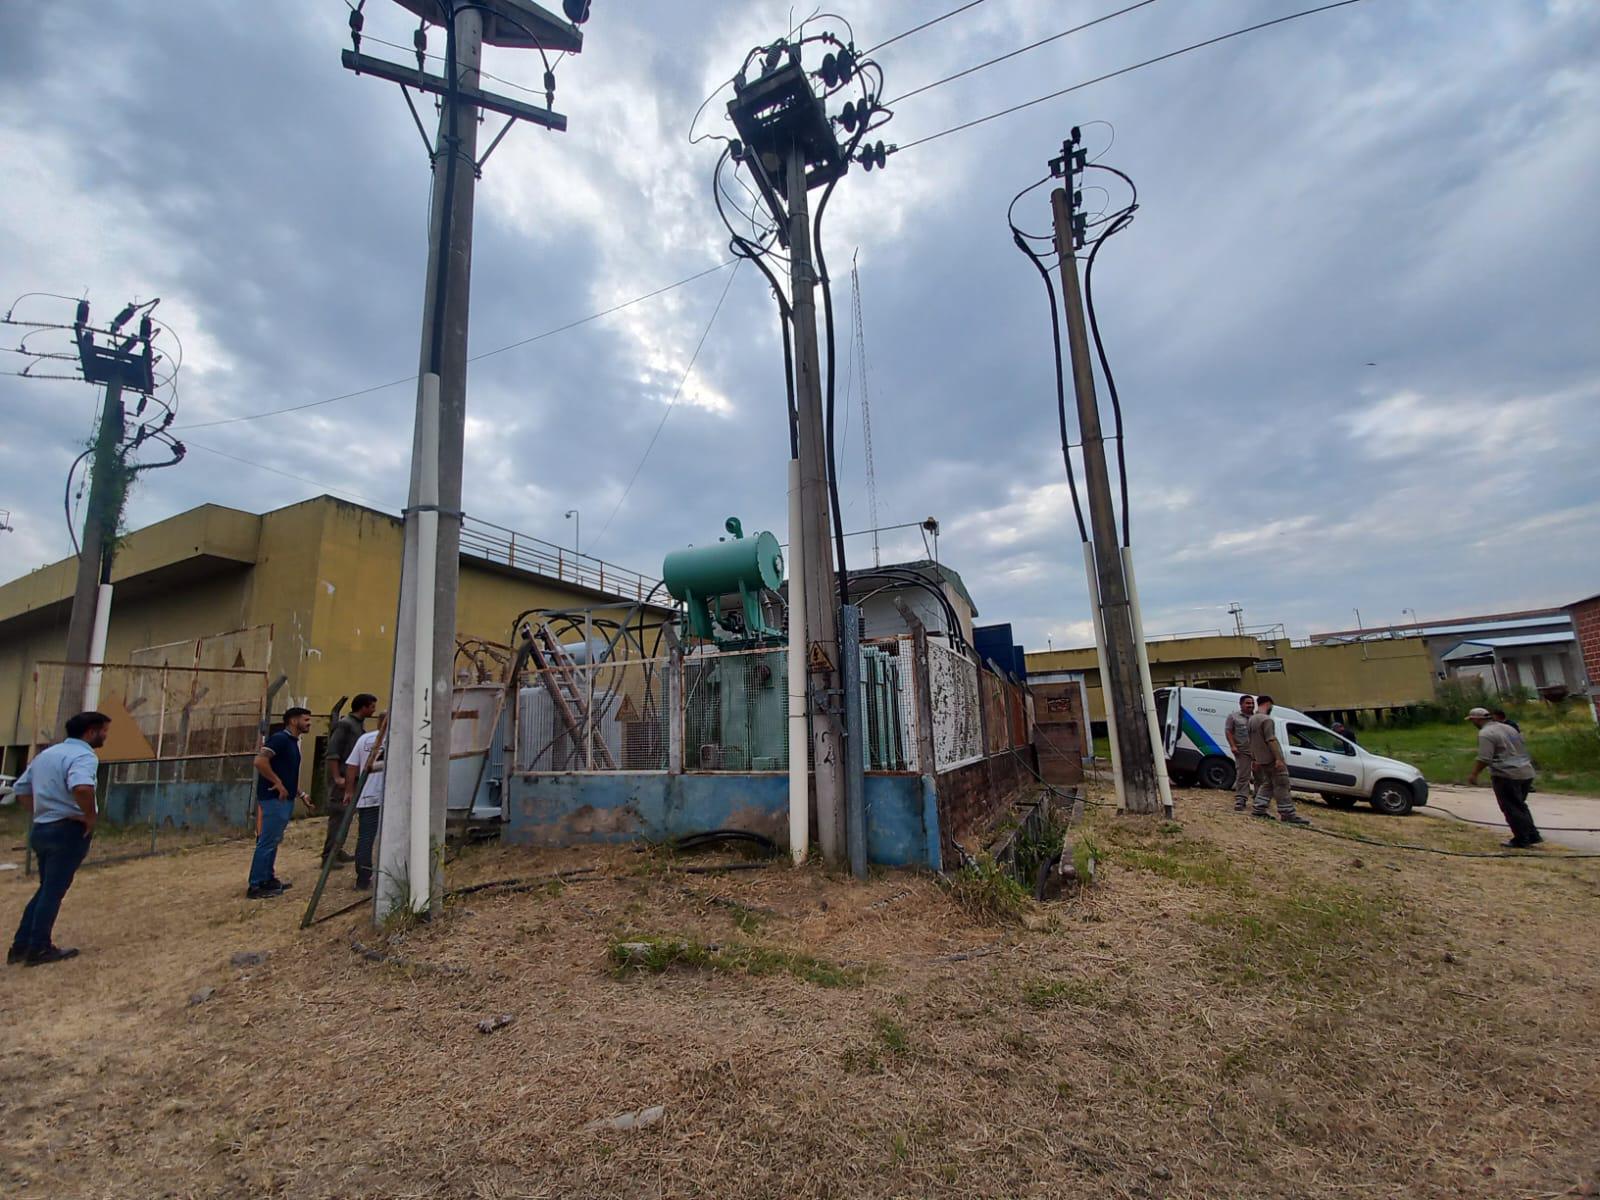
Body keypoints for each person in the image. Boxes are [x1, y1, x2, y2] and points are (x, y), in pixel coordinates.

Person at [7, 712, 109, 967]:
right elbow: (82, 787)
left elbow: (21, 789)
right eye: (104, 731)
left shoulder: (47, 755)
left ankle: (21, 945)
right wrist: (90, 817)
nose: (106, 736)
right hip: (68, 830)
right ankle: (39, 948)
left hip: (42, 828)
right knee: (53, 890)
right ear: (90, 732)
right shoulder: (84, 756)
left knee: (46, 888)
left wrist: (41, 811)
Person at [248, 706, 313, 899]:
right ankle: (256, 885)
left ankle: (268, 878)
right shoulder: (280, 739)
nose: (309, 723)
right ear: (293, 721)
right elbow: (260, 762)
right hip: (273, 799)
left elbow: (287, 773)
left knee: (273, 841)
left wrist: (301, 794)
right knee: (267, 842)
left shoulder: (292, 742)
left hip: (285, 799)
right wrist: (277, 783)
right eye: (306, 720)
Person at [1466, 707, 1542, 848]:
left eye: (1472, 720)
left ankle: (1521, 839)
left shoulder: (1486, 733)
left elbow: (1484, 758)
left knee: (1511, 808)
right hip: (1526, 772)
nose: (1472, 723)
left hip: (1506, 774)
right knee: (1520, 805)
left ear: (1477, 719)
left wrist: (1474, 774)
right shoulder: (1509, 728)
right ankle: (1532, 835)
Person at [322, 693, 377, 867]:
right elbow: (332, 752)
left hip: (351, 778)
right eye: (372, 706)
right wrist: (337, 777)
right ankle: (329, 856)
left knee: (346, 816)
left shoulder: (357, 725)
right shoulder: (345, 725)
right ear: (364, 707)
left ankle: (337, 851)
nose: (373, 710)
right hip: (343, 779)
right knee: (339, 816)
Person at [1247, 696, 1311, 826]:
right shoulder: (1267, 720)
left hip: (1261, 759)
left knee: (1268, 783)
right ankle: (1287, 813)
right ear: (1268, 704)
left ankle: (1259, 808)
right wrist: (1278, 759)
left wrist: (1254, 758)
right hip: (1271, 758)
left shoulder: (1251, 720)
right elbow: (1271, 740)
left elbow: (1251, 741)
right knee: (1282, 784)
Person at [342, 718, 387, 891]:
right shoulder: (398, 737)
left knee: (365, 838)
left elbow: (351, 766)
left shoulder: (364, 739)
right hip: (388, 797)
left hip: (367, 795)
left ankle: (363, 878)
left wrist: (349, 790)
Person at [1224, 694, 1256, 812]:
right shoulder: (1234, 717)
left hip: (1258, 751)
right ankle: (1241, 800)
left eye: (1252, 703)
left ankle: (1259, 800)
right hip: (1242, 751)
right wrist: (1233, 746)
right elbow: (1229, 732)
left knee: (1260, 776)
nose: (1250, 706)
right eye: (1248, 703)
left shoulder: (1256, 717)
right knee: (1243, 776)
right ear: (1241, 704)